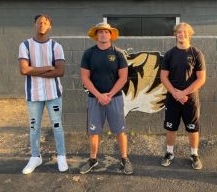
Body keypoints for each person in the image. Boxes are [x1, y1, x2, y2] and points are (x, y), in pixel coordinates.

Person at [80, 23, 133, 175]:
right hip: (94, 99)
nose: (103, 34)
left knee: (120, 130)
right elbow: (85, 78)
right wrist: (99, 95)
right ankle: (92, 159)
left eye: (106, 32)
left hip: (114, 98)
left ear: (111, 35)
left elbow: (123, 78)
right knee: (94, 131)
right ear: (96, 35)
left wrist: (109, 95)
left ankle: (124, 158)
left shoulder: (118, 53)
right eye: (100, 32)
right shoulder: (88, 54)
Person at [18, 14, 68, 174]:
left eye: (45, 22)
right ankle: (35, 157)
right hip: (34, 95)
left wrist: (34, 70)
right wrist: (48, 67)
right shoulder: (25, 45)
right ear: (34, 24)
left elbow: (60, 72)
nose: (41, 24)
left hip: (53, 94)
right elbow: (23, 70)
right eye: (39, 22)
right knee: (34, 127)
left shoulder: (56, 46)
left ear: (49, 26)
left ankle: (61, 156)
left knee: (57, 126)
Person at [160, 22, 206, 169]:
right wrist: (175, 93)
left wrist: (184, 93)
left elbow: (201, 79)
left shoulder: (196, 53)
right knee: (171, 127)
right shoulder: (169, 54)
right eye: (179, 32)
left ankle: (194, 154)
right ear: (175, 34)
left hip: (190, 98)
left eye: (185, 32)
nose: (182, 34)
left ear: (189, 34)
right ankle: (169, 153)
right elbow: (163, 77)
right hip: (173, 98)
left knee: (193, 128)